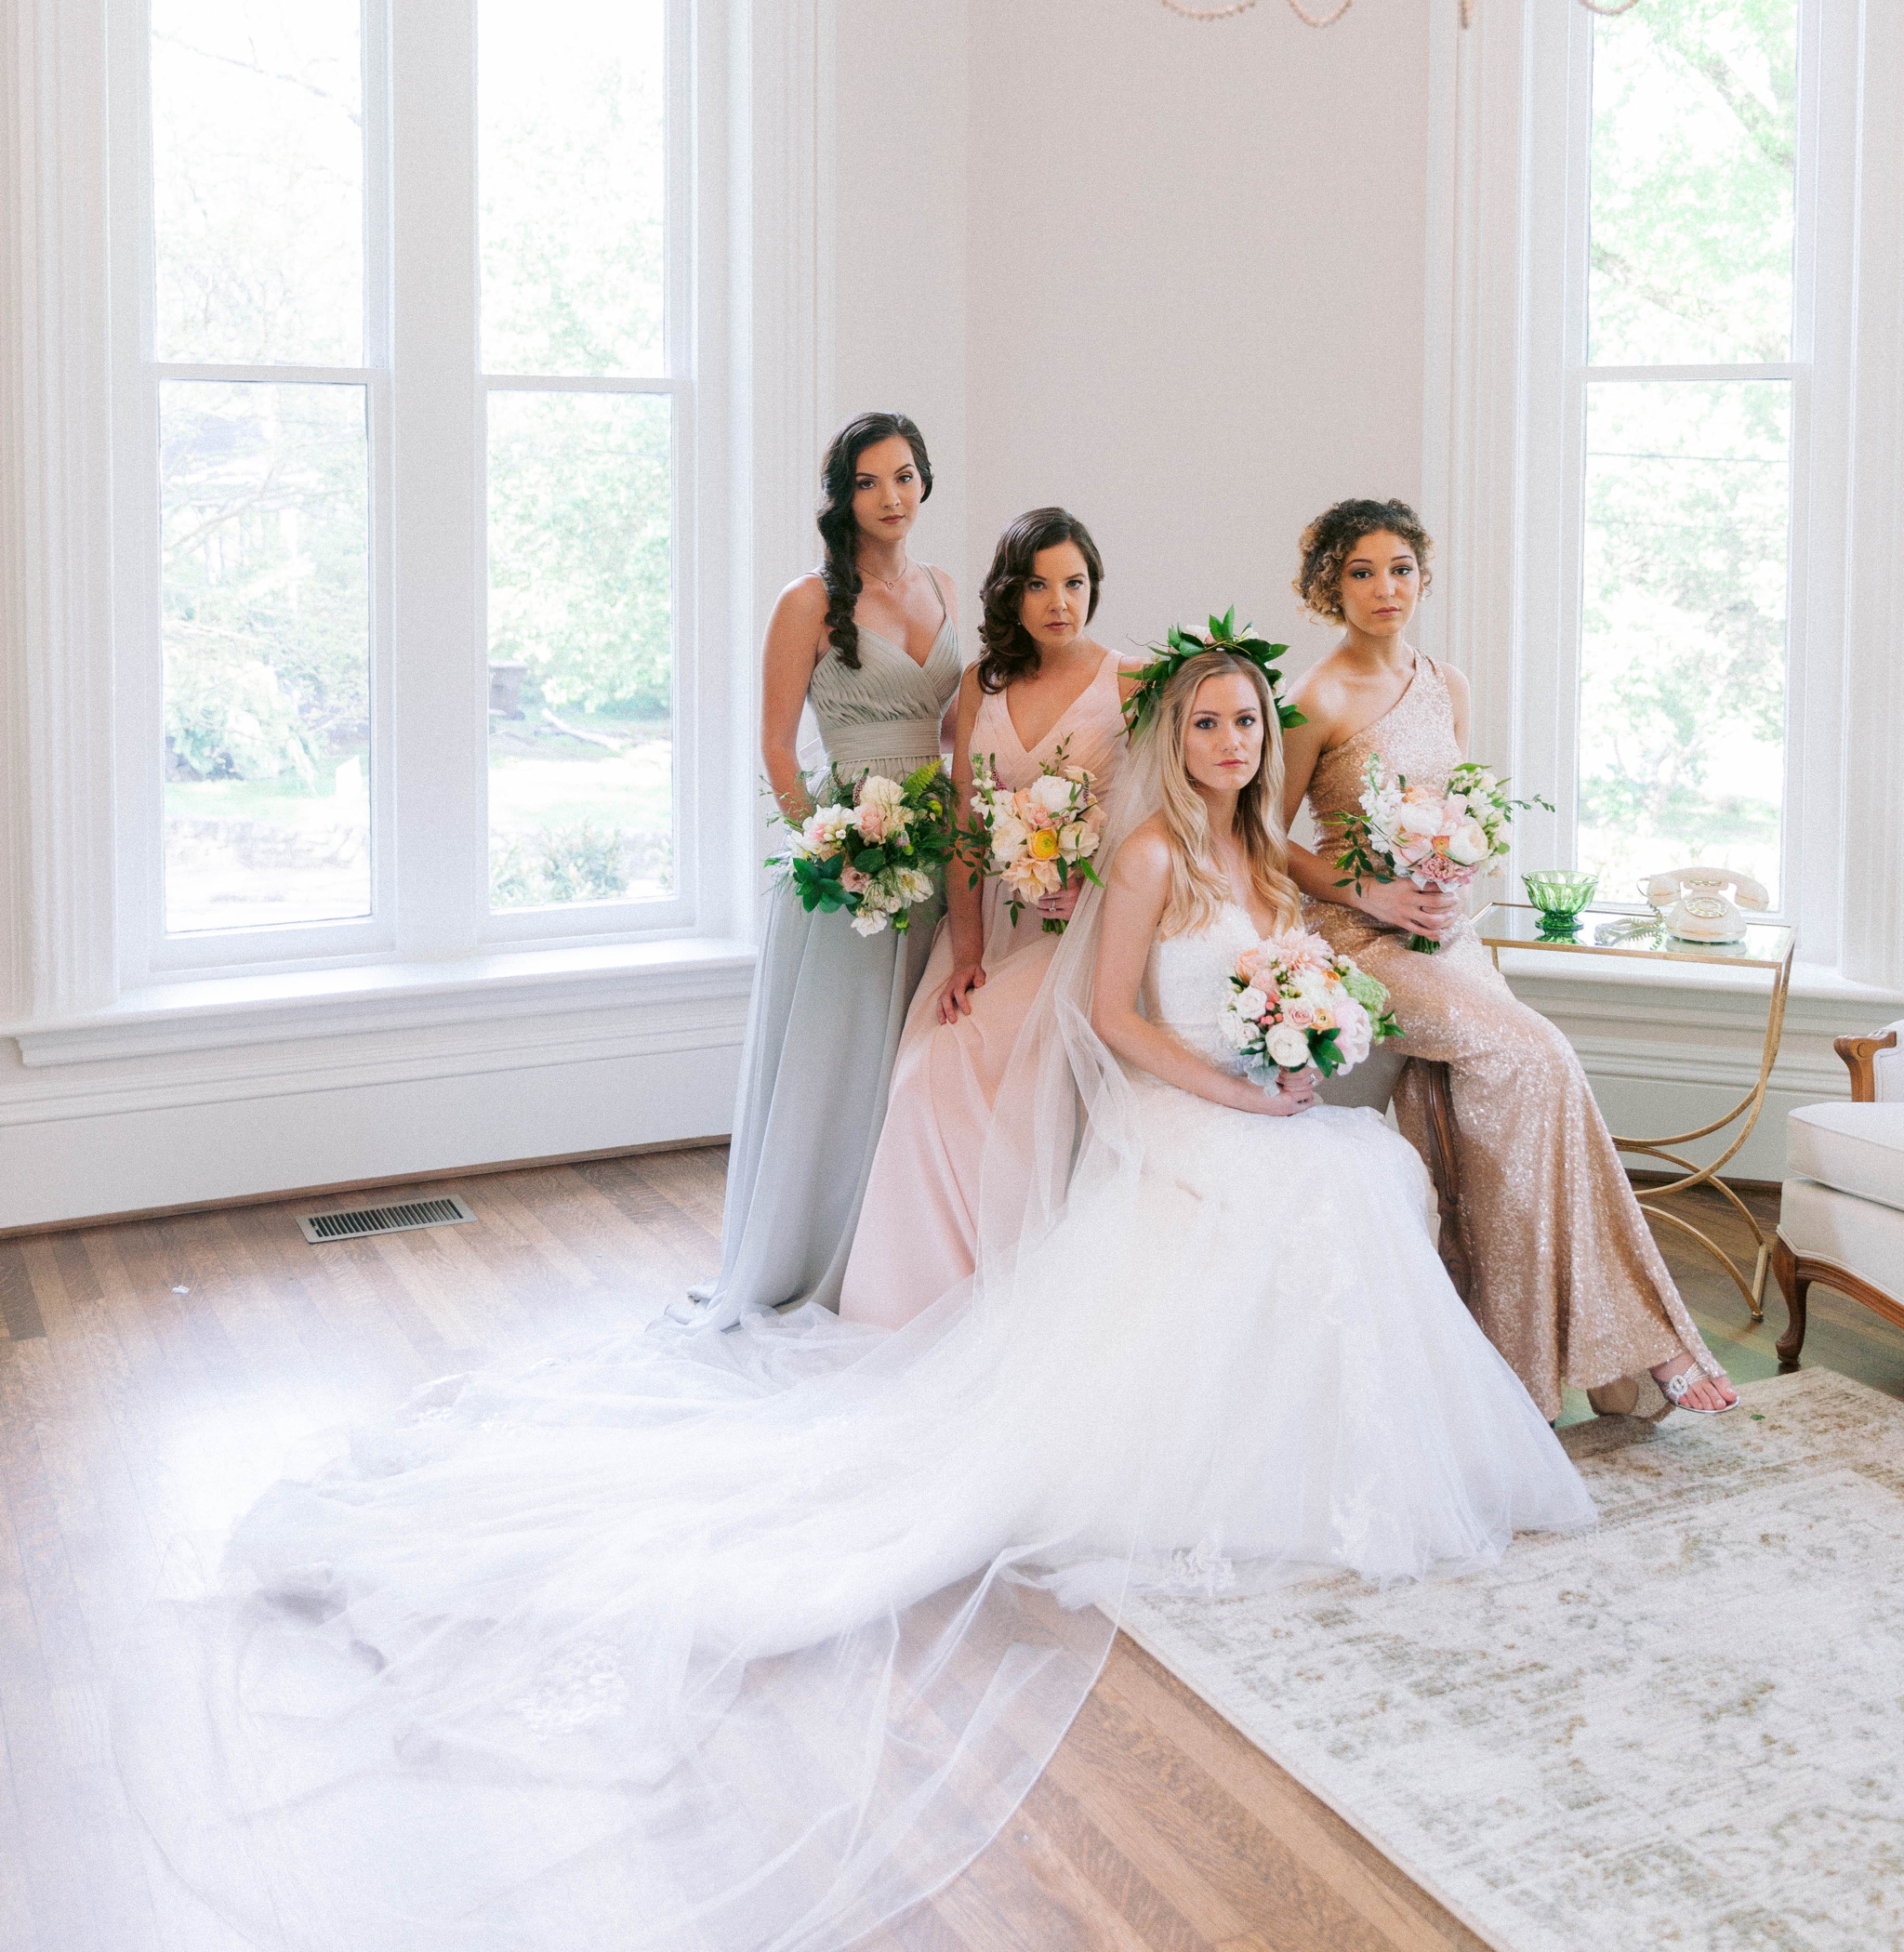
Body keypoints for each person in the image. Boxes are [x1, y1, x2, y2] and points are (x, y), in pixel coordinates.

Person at [116, 633, 1593, 1952]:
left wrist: (1312, 1040)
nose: (1229, 745)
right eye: (1208, 723)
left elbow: (1345, 942)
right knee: (1321, 1181)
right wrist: (1236, 1081)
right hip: (1177, 1100)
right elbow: (1115, 1019)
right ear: (1175, 737)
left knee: (1357, 1172)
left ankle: (1332, 1439)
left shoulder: (1272, 858)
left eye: (1246, 726)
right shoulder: (1147, 858)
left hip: (1257, 1097)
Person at [1281, 495, 1738, 1424]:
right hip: (1358, 939)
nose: (1384, 588)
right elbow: (1256, 839)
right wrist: (1365, 893)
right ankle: (1638, 1346)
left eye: (1399, 568)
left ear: (1422, 575)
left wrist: (1455, 879)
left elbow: (1458, 820)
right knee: (1541, 1056)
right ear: (1328, 584)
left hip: (1449, 935)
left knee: (1510, 1093)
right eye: (1361, 571)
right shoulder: (1314, 697)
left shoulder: (1444, 682)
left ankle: (1557, 1354)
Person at [840, 507, 1137, 1326]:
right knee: (924, 1072)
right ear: (1010, 594)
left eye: (1074, 582)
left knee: (1008, 1071)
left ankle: (1017, 1290)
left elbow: (1163, 825)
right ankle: (921, 1301)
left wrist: (1097, 884)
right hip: (997, 925)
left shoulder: (1133, 682)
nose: (1059, 601)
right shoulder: (984, 684)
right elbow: (969, 828)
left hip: (1085, 930)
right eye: (1038, 584)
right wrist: (966, 949)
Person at [694, 412, 959, 1325]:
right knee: (838, 1067)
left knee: (915, 1065)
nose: (890, 498)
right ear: (840, 497)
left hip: (936, 845)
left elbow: (964, 726)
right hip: (846, 861)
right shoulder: (806, 601)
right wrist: (827, 848)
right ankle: (805, 1257)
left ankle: (898, 1263)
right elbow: (773, 745)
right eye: (867, 482)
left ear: (925, 481)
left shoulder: (945, 588)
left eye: (904, 477)